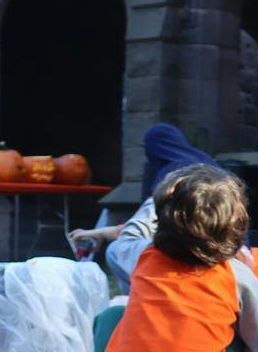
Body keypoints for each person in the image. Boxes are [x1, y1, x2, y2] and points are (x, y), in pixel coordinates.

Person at [93, 165, 258, 352]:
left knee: (111, 316)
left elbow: (120, 246)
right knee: (240, 339)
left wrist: (150, 207)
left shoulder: (144, 255)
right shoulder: (238, 276)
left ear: (161, 219)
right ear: (237, 227)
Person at [69, 122, 218, 290]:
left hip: (181, 263)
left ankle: (135, 297)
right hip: (220, 255)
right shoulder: (215, 171)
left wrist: (97, 233)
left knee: (116, 250)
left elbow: (136, 230)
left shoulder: (171, 177)